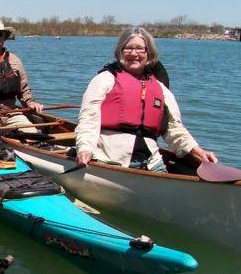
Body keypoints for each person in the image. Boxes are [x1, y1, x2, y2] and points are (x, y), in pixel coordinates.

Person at [74, 27, 218, 171]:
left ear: (149, 53)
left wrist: (196, 150)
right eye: (128, 48)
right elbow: (88, 118)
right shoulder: (104, 79)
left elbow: (174, 129)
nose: (134, 53)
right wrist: (84, 148)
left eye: (140, 49)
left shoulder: (160, 88)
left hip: (152, 162)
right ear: (120, 51)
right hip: (109, 158)